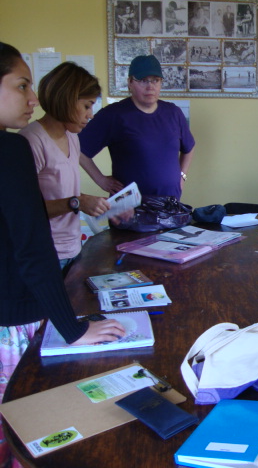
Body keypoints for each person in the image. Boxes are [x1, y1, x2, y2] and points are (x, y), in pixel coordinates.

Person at [0, 41, 124, 465]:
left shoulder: (67, 140)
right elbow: (31, 243)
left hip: (56, 263)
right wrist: (71, 328)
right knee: (25, 424)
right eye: (21, 86)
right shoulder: (17, 147)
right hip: (16, 310)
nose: (31, 99)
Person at [19, 62, 110, 273]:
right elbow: (25, 209)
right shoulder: (31, 141)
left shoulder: (72, 137)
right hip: (45, 254)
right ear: (67, 99)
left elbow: (62, 192)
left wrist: (99, 205)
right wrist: (77, 202)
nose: (91, 115)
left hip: (73, 248)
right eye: (86, 106)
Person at [79, 55, 195, 199]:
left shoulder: (173, 113)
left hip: (170, 205)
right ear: (130, 82)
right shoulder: (114, 115)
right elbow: (78, 149)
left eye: (155, 80)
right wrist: (100, 180)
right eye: (143, 80)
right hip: (130, 208)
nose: (150, 86)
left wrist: (182, 176)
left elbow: (189, 148)